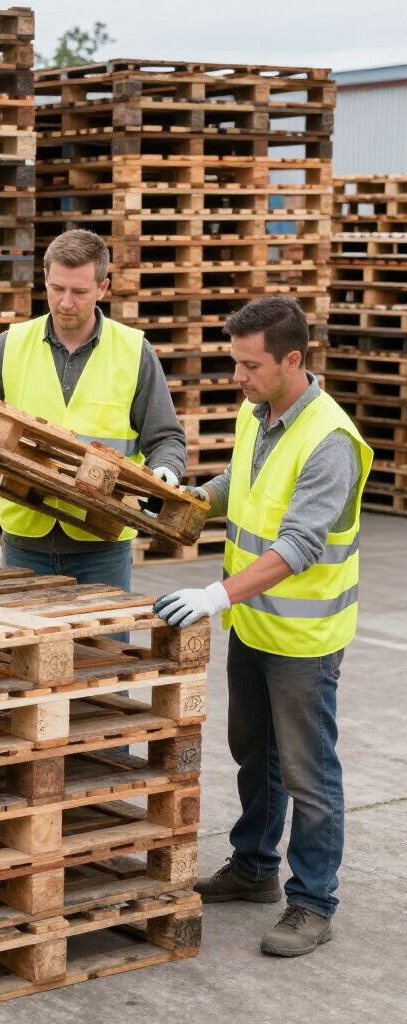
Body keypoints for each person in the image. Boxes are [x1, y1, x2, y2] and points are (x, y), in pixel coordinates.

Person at [154, 296, 371, 958]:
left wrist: (215, 594)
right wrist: (183, 497)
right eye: (235, 362)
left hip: (303, 640)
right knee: (255, 753)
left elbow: (301, 544)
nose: (238, 376)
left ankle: (313, 902)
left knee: (309, 772)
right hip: (255, 625)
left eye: (250, 365)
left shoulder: (328, 440)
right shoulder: (262, 413)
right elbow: (239, 484)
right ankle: (253, 868)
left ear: (292, 360)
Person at [0, 229, 186, 592]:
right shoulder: (9, 345)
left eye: (80, 291)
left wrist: (164, 474)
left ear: (103, 287)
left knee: (102, 650)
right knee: (28, 648)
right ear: (44, 279)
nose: (66, 302)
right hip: (26, 538)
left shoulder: (135, 351)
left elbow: (166, 437)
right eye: (57, 288)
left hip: (103, 543)